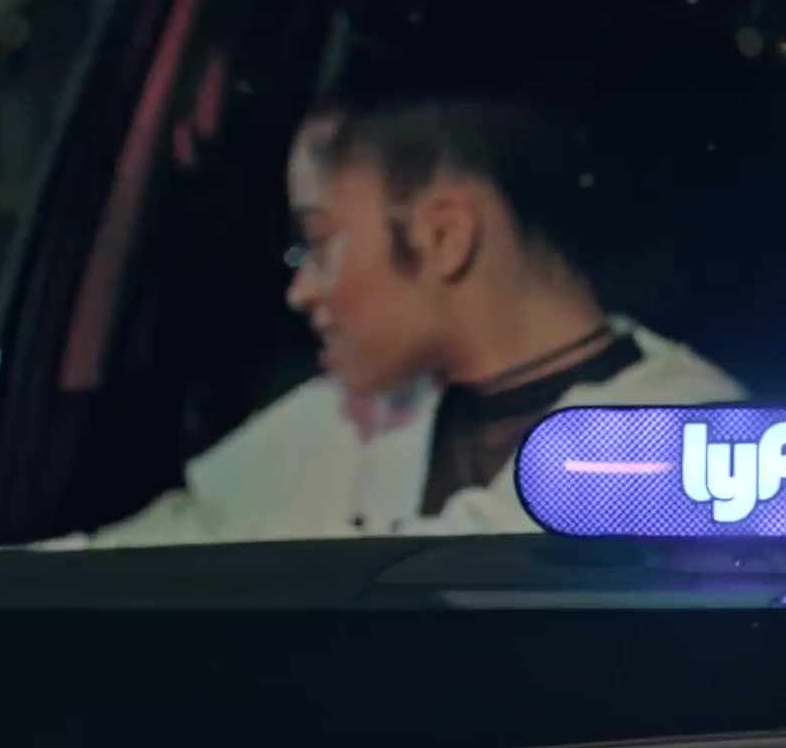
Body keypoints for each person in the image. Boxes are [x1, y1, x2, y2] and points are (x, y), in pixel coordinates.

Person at [39, 97, 744, 548]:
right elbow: (140, 555)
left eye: (319, 243)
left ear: (443, 236)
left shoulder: (694, 437)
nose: (301, 291)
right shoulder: (349, 415)